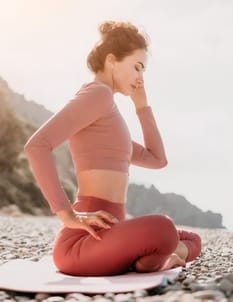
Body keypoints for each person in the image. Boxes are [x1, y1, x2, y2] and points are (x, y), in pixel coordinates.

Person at [24, 21, 201, 276]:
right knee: (163, 229)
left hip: (110, 234)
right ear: (112, 60)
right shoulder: (98, 94)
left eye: (144, 72)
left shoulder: (109, 115)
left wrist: (142, 107)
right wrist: (68, 215)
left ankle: (148, 260)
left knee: (192, 239)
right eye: (137, 67)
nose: (141, 78)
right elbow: (37, 146)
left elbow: (157, 160)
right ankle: (151, 259)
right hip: (83, 243)